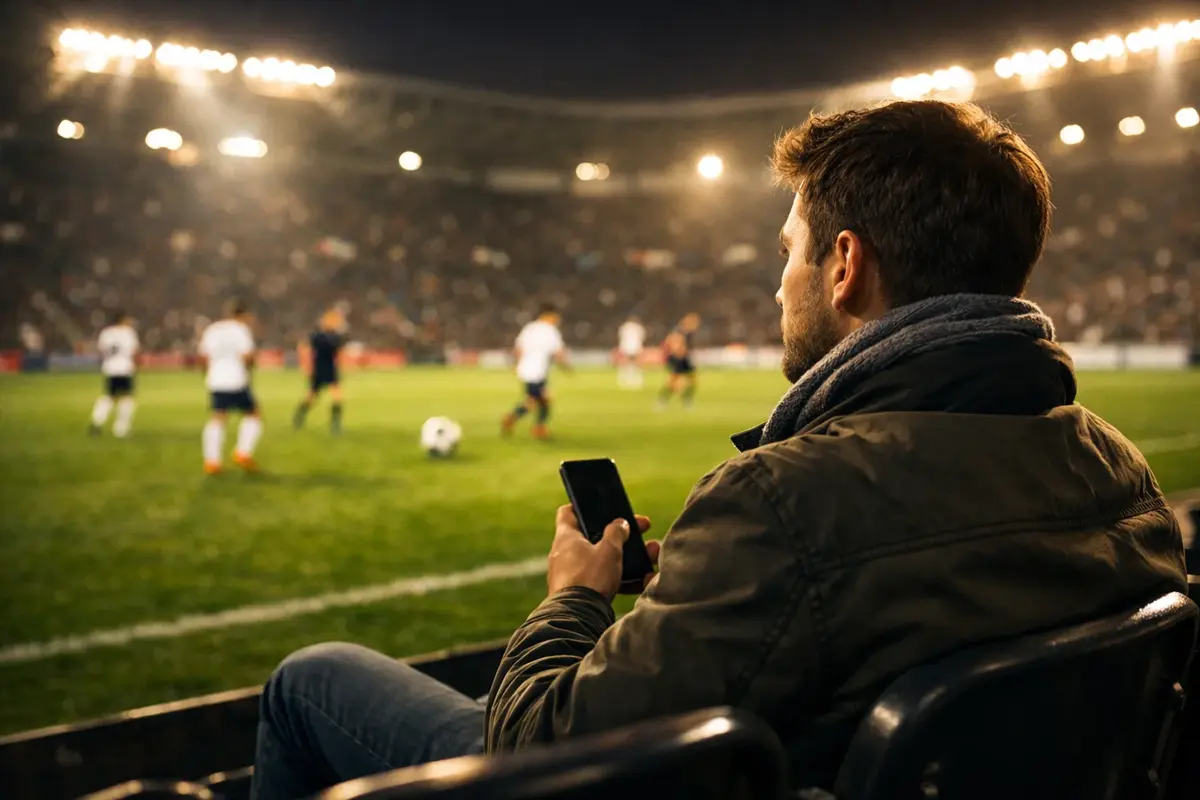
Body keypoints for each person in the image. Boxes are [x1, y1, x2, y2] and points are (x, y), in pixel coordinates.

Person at [250, 100, 1186, 798]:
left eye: (787, 252)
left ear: (846, 264)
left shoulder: (787, 500)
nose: (780, 284)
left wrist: (575, 598)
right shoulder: (1120, 469)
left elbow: (539, 757)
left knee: (310, 680)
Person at [198, 300, 263, 474]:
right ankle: (243, 452)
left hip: (216, 379)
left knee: (218, 417)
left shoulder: (213, 329)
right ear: (244, 315)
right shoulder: (240, 330)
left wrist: (208, 374)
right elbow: (247, 355)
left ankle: (212, 461)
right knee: (253, 414)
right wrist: (251, 368)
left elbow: (204, 357)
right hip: (236, 378)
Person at [501, 304, 568, 440]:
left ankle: (529, 424)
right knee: (540, 400)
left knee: (536, 400)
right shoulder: (551, 330)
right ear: (549, 315)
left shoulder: (529, 328)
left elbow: (518, 349)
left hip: (525, 369)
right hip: (538, 371)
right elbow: (558, 353)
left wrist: (516, 365)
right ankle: (529, 424)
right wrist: (566, 367)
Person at [293, 309, 347, 435]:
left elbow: (339, 354)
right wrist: (305, 366)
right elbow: (304, 349)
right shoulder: (317, 336)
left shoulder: (336, 337)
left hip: (331, 370)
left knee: (338, 397)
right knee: (311, 397)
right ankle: (299, 418)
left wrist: (342, 366)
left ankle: (335, 425)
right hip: (318, 369)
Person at [89, 311, 139, 438]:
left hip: (110, 369)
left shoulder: (106, 333)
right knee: (126, 399)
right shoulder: (128, 332)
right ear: (123, 320)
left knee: (109, 397)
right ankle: (120, 429)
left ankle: (96, 421)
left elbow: (100, 351)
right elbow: (134, 351)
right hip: (124, 369)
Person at [657, 312, 700, 408]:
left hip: (684, 359)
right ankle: (663, 400)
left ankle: (687, 400)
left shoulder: (688, 333)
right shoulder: (679, 331)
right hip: (678, 359)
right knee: (674, 383)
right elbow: (672, 343)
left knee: (692, 380)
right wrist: (678, 352)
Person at [616, 315, 646, 389]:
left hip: (626, 346)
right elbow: (642, 336)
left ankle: (623, 378)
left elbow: (620, 336)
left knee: (626, 362)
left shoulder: (624, 327)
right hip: (636, 346)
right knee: (636, 363)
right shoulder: (638, 327)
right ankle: (637, 379)